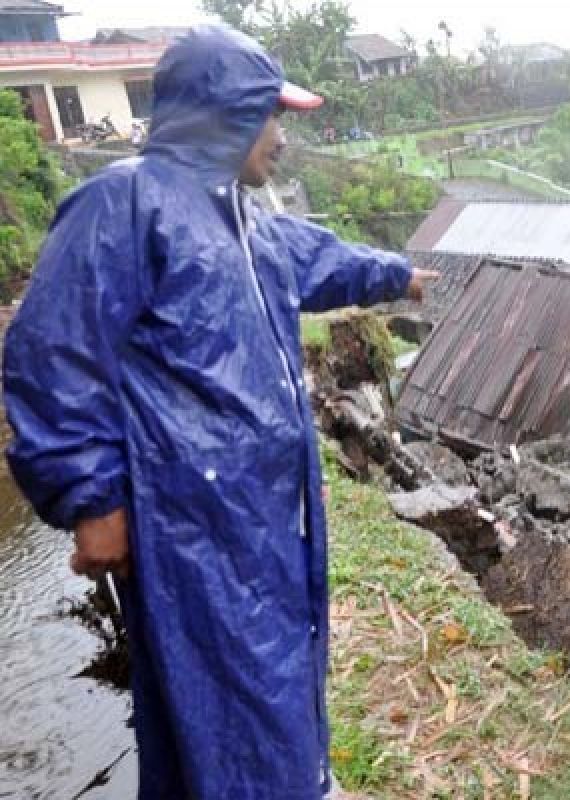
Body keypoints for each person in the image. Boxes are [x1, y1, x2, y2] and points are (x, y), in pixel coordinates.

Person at [2, 25, 434, 800]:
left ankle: (302, 780)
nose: (280, 138)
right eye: (270, 116)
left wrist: (397, 275)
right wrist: (92, 501)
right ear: (224, 113)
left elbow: (323, 260)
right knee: (224, 689)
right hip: (188, 522)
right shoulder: (125, 204)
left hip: (264, 514)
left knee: (275, 665)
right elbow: (52, 355)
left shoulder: (246, 222)